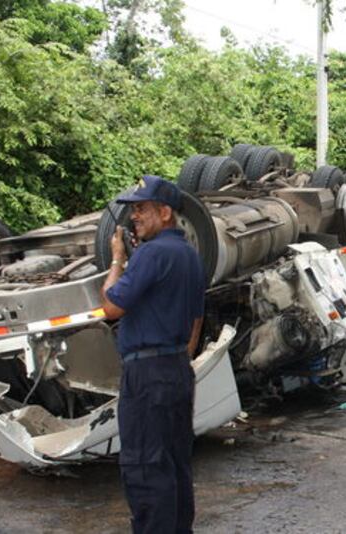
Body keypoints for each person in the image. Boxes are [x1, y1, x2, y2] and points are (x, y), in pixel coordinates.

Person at [101, 175, 206, 533]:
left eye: (142, 209)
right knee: (175, 465)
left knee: (145, 468)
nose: (135, 216)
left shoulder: (152, 253)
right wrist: (177, 359)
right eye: (132, 210)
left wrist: (116, 260)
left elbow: (111, 307)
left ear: (165, 212)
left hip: (148, 376)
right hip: (176, 369)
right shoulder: (189, 255)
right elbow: (196, 319)